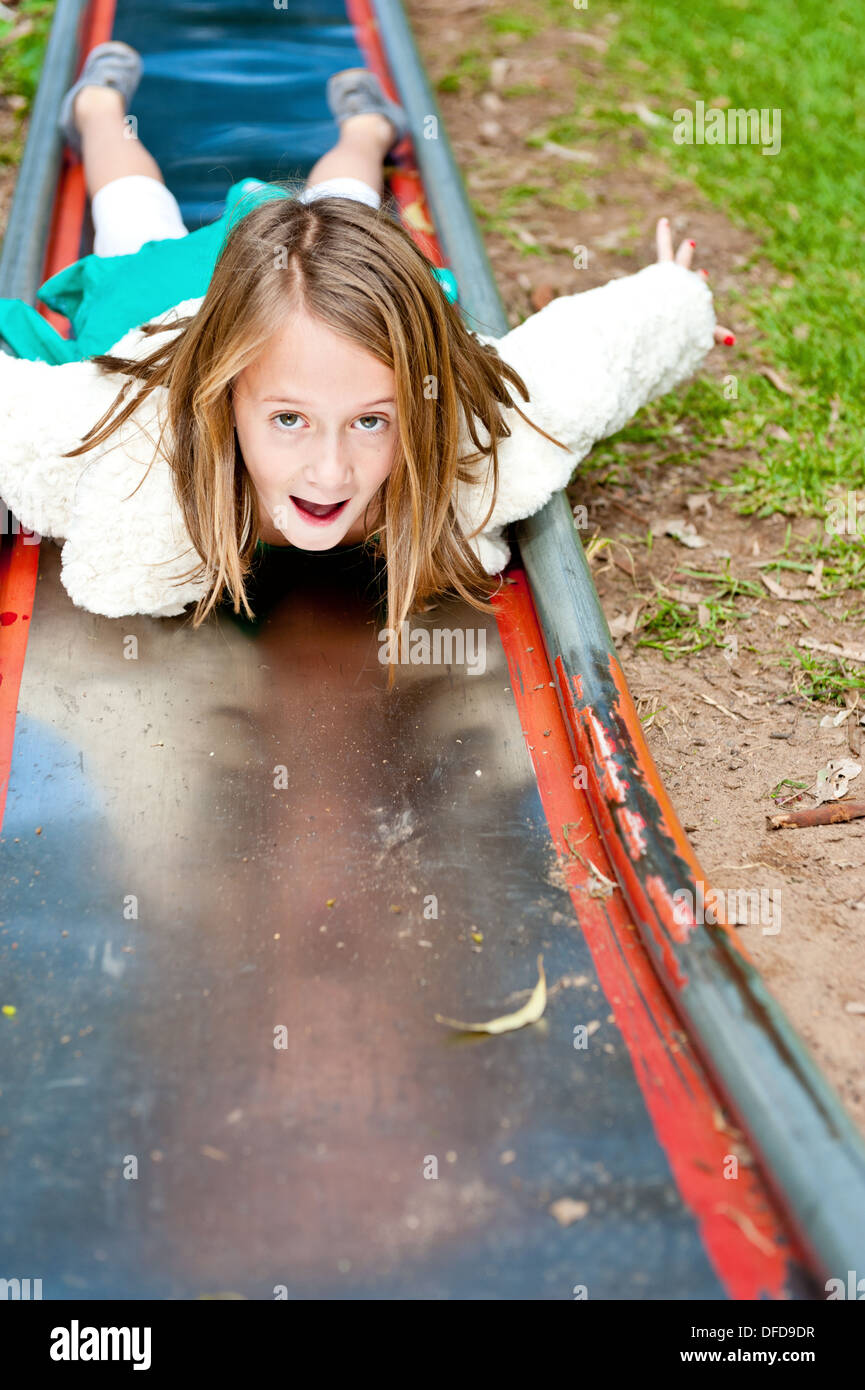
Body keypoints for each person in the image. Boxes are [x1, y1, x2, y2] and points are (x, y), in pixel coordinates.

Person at [0, 42, 734, 642]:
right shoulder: (133, 440)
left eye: (372, 421)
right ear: (223, 403)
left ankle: (367, 130)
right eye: (288, 420)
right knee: (139, 225)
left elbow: (580, 367)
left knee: (348, 217)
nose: (328, 472)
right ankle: (97, 112)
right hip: (179, 308)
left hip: (328, 300)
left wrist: (670, 301)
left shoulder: (471, 440)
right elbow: (15, 415)